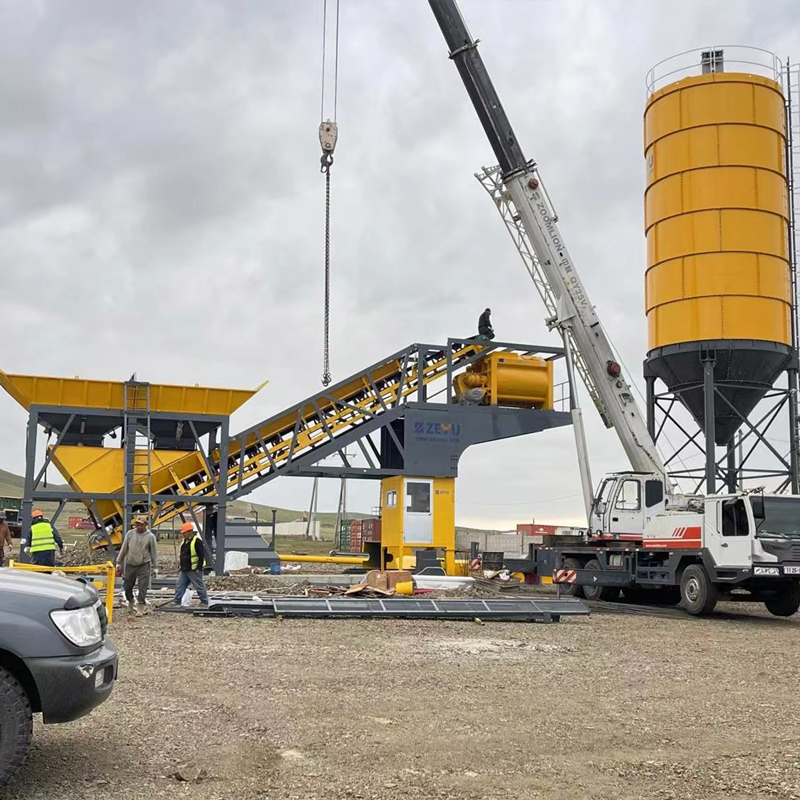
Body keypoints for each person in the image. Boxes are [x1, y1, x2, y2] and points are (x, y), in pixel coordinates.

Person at [116, 516, 158, 616]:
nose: (139, 527)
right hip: (130, 564)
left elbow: (154, 552)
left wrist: (155, 567)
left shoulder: (150, 537)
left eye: (141, 525)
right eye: (137, 525)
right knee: (127, 586)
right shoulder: (130, 534)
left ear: (145, 525)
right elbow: (124, 548)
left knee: (142, 587)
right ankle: (130, 600)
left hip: (144, 565)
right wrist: (119, 561)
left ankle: (140, 607)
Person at [174, 522, 209, 608]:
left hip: (194, 569)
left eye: (184, 532)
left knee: (199, 586)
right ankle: (177, 602)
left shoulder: (197, 541)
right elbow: (183, 555)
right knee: (179, 585)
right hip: (184, 569)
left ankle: (204, 602)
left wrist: (198, 568)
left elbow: (201, 555)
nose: (183, 534)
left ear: (190, 532)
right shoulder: (184, 542)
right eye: (183, 533)